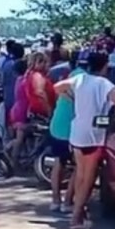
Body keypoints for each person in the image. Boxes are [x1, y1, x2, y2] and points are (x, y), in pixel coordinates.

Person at [54, 51, 115, 229]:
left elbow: (56, 87)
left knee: (80, 173)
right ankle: (76, 217)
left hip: (77, 133)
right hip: (94, 134)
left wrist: (71, 98)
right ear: (104, 65)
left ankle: (79, 211)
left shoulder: (79, 79)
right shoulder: (105, 84)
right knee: (88, 177)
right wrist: (113, 120)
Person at [47, 53, 85, 213]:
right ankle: (68, 201)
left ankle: (56, 199)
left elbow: (57, 91)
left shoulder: (72, 75)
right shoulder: (85, 78)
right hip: (71, 127)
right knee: (80, 166)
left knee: (59, 162)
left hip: (57, 124)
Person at [5, 58, 30, 163]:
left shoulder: (18, 80)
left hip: (15, 109)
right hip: (22, 111)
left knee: (20, 137)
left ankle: (15, 158)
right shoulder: (25, 81)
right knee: (19, 140)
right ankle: (10, 157)